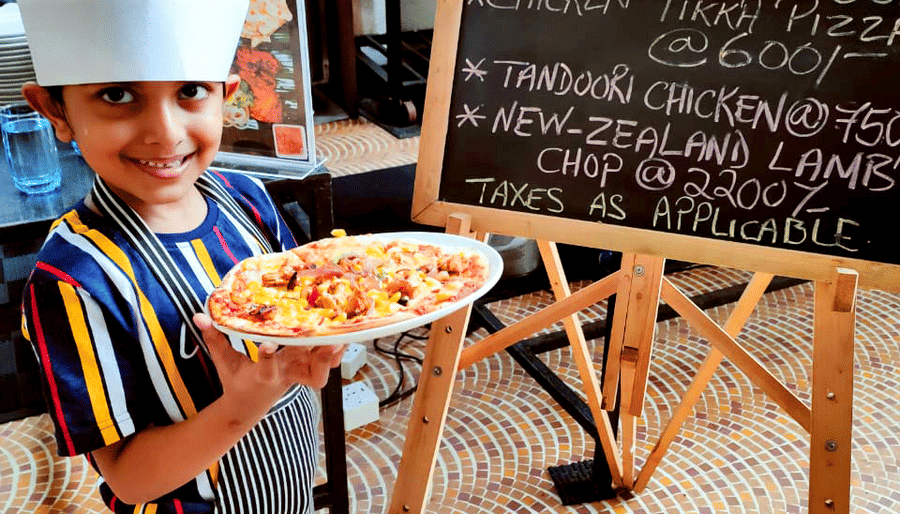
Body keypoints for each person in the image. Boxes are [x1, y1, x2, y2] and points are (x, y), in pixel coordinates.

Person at [16, 1, 345, 512]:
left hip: (288, 493)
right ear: (55, 111)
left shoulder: (249, 201)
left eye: (191, 91)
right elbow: (128, 480)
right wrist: (242, 407)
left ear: (227, 96)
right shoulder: (71, 280)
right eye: (118, 95)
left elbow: (300, 320)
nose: (165, 133)